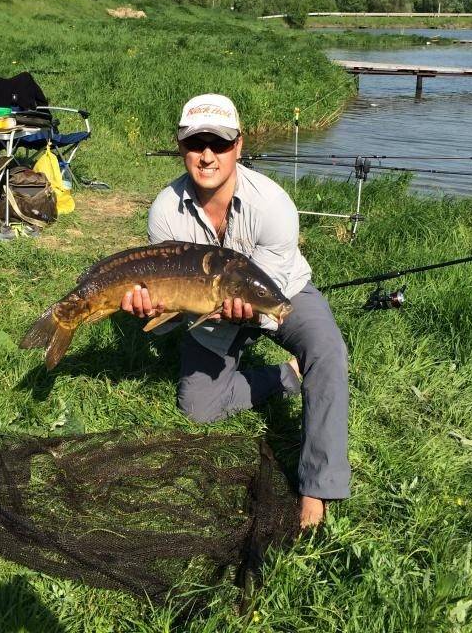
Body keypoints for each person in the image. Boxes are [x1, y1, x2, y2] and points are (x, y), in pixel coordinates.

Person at [121, 93, 350, 528]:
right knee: (199, 409)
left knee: (327, 350)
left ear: (239, 146)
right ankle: (284, 377)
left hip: (280, 294)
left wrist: (250, 312)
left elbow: (270, 290)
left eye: (219, 144)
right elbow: (167, 293)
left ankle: (318, 487)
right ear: (180, 146)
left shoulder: (274, 204)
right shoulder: (165, 210)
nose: (207, 156)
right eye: (195, 144)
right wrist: (148, 306)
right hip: (205, 310)